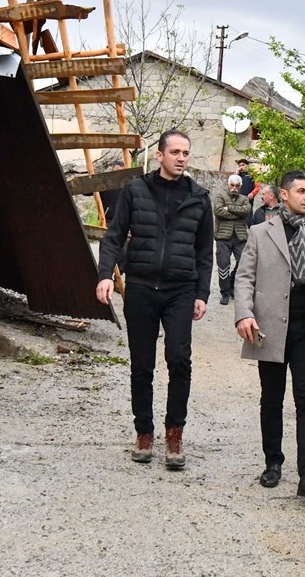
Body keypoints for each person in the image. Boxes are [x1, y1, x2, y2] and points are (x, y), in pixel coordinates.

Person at [95, 129, 213, 471]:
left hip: (180, 290)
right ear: (159, 155)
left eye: (185, 153)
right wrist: (105, 274)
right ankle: (144, 432)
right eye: (175, 152)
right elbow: (114, 236)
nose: (181, 158)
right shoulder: (135, 190)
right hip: (143, 287)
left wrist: (202, 294)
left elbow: (205, 252)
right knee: (142, 364)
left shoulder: (199, 197)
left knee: (179, 359)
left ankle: (174, 433)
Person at [235, 170, 305, 497]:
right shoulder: (260, 232)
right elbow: (244, 278)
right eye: (300, 191)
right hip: (269, 327)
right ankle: (273, 463)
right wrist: (244, 313)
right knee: (271, 398)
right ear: (283, 195)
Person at [214, 174, 251, 306]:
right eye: (232, 185)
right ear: (228, 185)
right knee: (223, 265)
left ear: (240, 187)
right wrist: (238, 214)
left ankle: (231, 285)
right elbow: (218, 211)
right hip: (223, 237)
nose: (234, 188)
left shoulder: (244, 198)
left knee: (243, 263)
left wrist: (228, 208)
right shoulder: (220, 196)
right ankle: (224, 292)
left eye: (237, 186)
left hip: (240, 236)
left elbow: (246, 211)